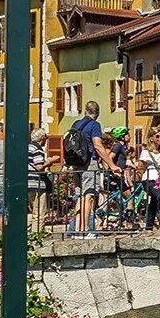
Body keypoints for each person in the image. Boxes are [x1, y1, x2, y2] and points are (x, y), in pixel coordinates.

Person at [63, 101, 106, 238]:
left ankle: (77, 230)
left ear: (85, 111)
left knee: (80, 196)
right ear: (97, 113)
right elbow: (98, 145)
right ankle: (85, 229)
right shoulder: (95, 125)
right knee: (89, 195)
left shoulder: (76, 124)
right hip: (89, 163)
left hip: (76, 164)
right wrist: (111, 165)